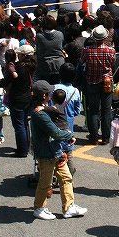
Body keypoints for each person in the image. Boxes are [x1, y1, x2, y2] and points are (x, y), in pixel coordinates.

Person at [30, 80, 86, 221]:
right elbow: (55, 132)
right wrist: (70, 136)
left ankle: (69, 207)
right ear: (44, 96)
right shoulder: (40, 114)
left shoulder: (43, 109)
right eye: (49, 92)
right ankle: (39, 208)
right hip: (47, 153)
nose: (51, 93)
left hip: (55, 150)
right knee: (45, 182)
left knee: (66, 178)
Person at [79, 25, 115, 144]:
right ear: (105, 38)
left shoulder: (86, 50)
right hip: (107, 81)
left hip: (91, 81)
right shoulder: (110, 50)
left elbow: (81, 63)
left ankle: (93, 136)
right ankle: (106, 137)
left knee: (93, 110)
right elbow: (112, 63)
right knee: (106, 109)